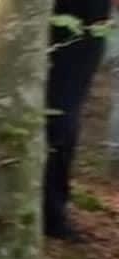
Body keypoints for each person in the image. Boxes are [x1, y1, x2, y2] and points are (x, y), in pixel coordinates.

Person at [44, 0, 113, 241]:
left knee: (61, 112)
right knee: (61, 113)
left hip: (80, 25)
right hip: (66, 21)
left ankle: (51, 210)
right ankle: (51, 212)